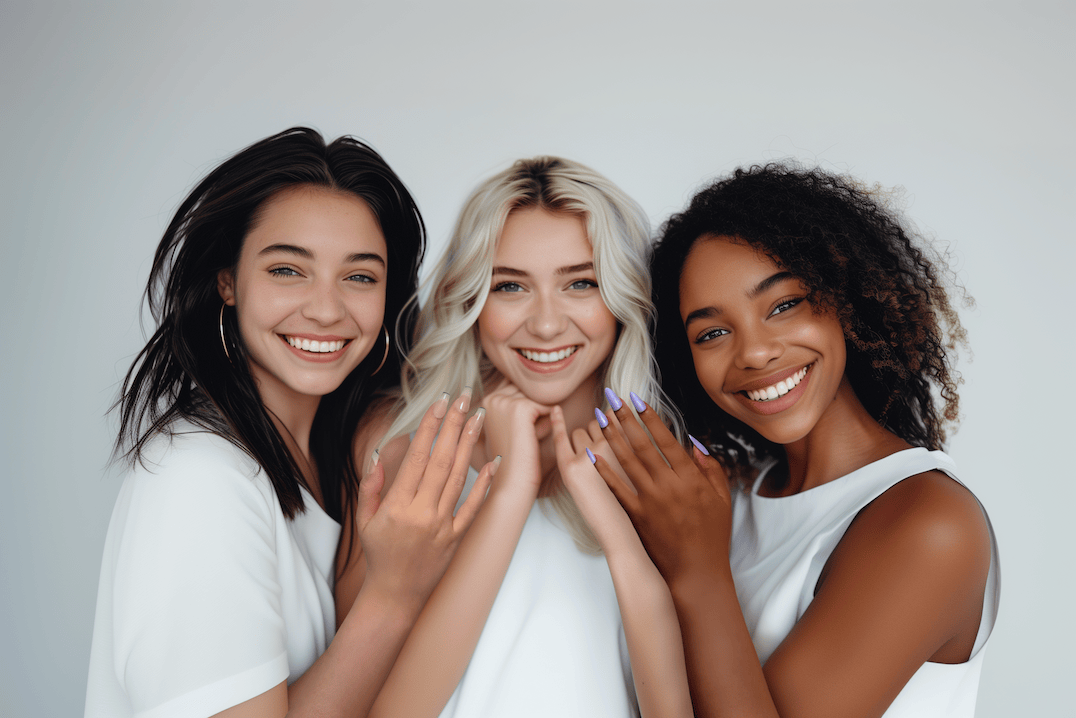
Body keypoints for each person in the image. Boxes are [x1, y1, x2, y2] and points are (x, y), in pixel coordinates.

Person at [85, 127, 495, 718]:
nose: (326, 309)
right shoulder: (199, 480)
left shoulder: (327, 465)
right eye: (287, 270)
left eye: (359, 277)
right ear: (228, 281)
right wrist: (393, 593)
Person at [588, 164, 1000, 717]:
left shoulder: (929, 523)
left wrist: (698, 569)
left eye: (783, 306)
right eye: (712, 333)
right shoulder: (724, 494)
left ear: (847, 300)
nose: (755, 352)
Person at [335, 157, 692, 717]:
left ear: (624, 297)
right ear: (471, 300)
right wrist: (509, 493)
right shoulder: (403, 446)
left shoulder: (670, 463)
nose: (547, 324)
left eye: (581, 283)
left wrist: (619, 533)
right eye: (510, 286)